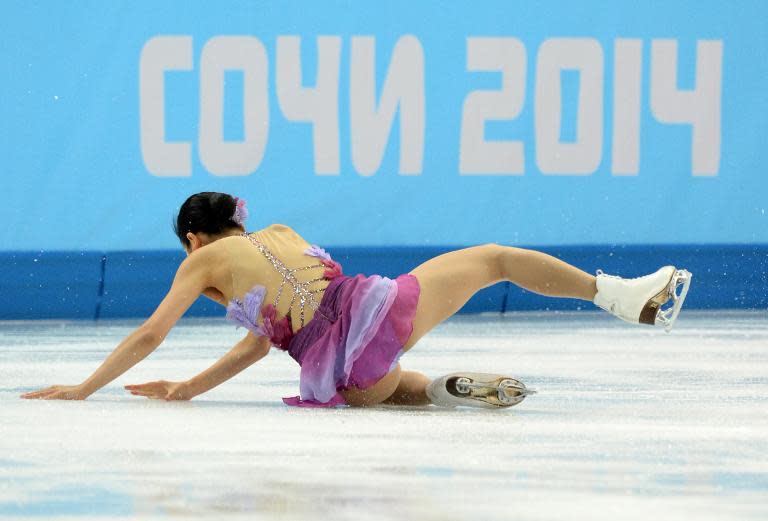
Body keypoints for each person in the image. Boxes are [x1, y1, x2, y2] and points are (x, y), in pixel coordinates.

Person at [20, 192, 691, 408]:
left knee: (384, 388)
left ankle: (440, 391)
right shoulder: (276, 233)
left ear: (193, 238)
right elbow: (288, 319)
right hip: (380, 308)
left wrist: (84, 388)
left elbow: (151, 333)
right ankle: (619, 295)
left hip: (341, 371)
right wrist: (191, 387)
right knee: (494, 260)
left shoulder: (201, 265)